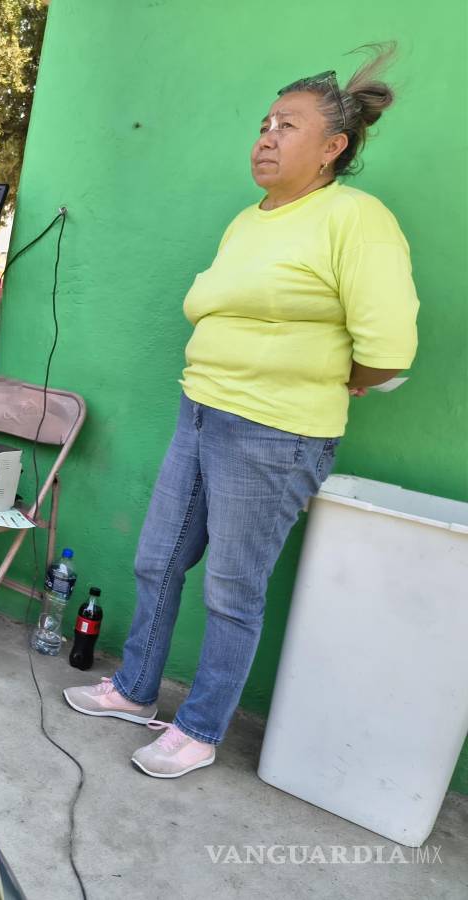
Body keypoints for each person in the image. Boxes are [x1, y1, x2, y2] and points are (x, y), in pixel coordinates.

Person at [64, 44, 419, 778]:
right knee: (158, 559)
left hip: (276, 435)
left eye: (286, 125)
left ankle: (199, 729)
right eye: (264, 122)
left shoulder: (355, 218)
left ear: (332, 148)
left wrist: (329, 377)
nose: (266, 135)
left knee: (233, 588)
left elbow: (389, 348)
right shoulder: (250, 220)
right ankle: (134, 691)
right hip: (201, 413)